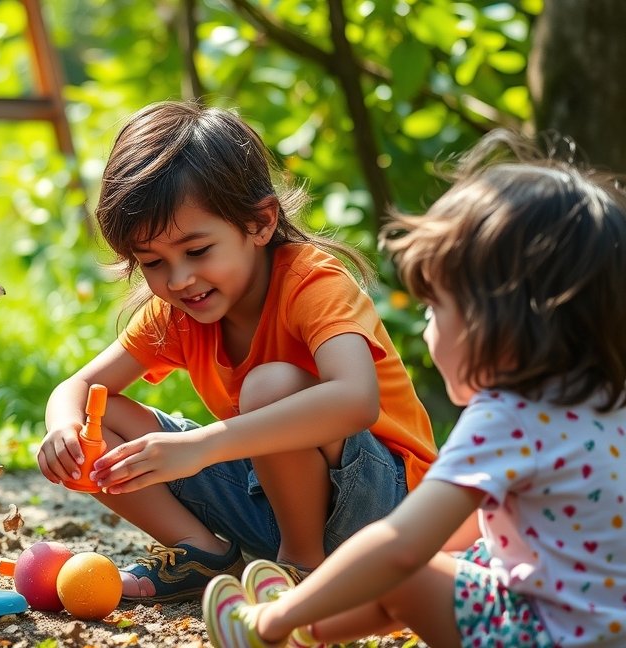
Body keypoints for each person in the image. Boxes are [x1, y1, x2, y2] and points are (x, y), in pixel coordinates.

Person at [202, 129, 626, 647]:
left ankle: (273, 625)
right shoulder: (607, 404)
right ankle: (305, 631)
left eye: (435, 307)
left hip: (548, 635)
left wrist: (281, 612)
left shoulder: (509, 416)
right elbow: (467, 534)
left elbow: (401, 549)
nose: (426, 328)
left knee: (403, 566)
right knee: (464, 556)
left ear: (495, 321)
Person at [38, 100, 436, 603]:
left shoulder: (312, 283)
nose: (179, 280)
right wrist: (64, 430)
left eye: (197, 251)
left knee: (269, 385)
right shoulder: (178, 313)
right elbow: (78, 386)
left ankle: (302, 570)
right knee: (98, 415)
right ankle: (201, 552)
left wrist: (200, 447)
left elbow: (357, 401)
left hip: (388, 510)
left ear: (260, 223)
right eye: (153, 262)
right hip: (273, 506)